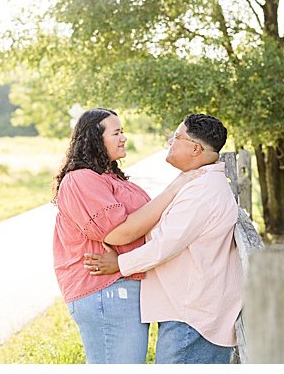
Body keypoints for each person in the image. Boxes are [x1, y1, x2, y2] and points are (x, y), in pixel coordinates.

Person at [85, 114, 242, 363]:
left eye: (176, 137)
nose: (170, 141)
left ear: (195, 148)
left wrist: (119, 263)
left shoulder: (202, 192)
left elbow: (163, 246)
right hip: (187, 313)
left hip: (193, 319)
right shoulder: (198, 183)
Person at [53, 108, 193, 364]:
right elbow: (118, 232)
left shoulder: (109, 177)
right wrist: (178, 184)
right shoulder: (81, 179)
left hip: (120, 286)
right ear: (95, 139)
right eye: (116, 132)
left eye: (123, 132)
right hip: (105, 289)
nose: (123, 138)